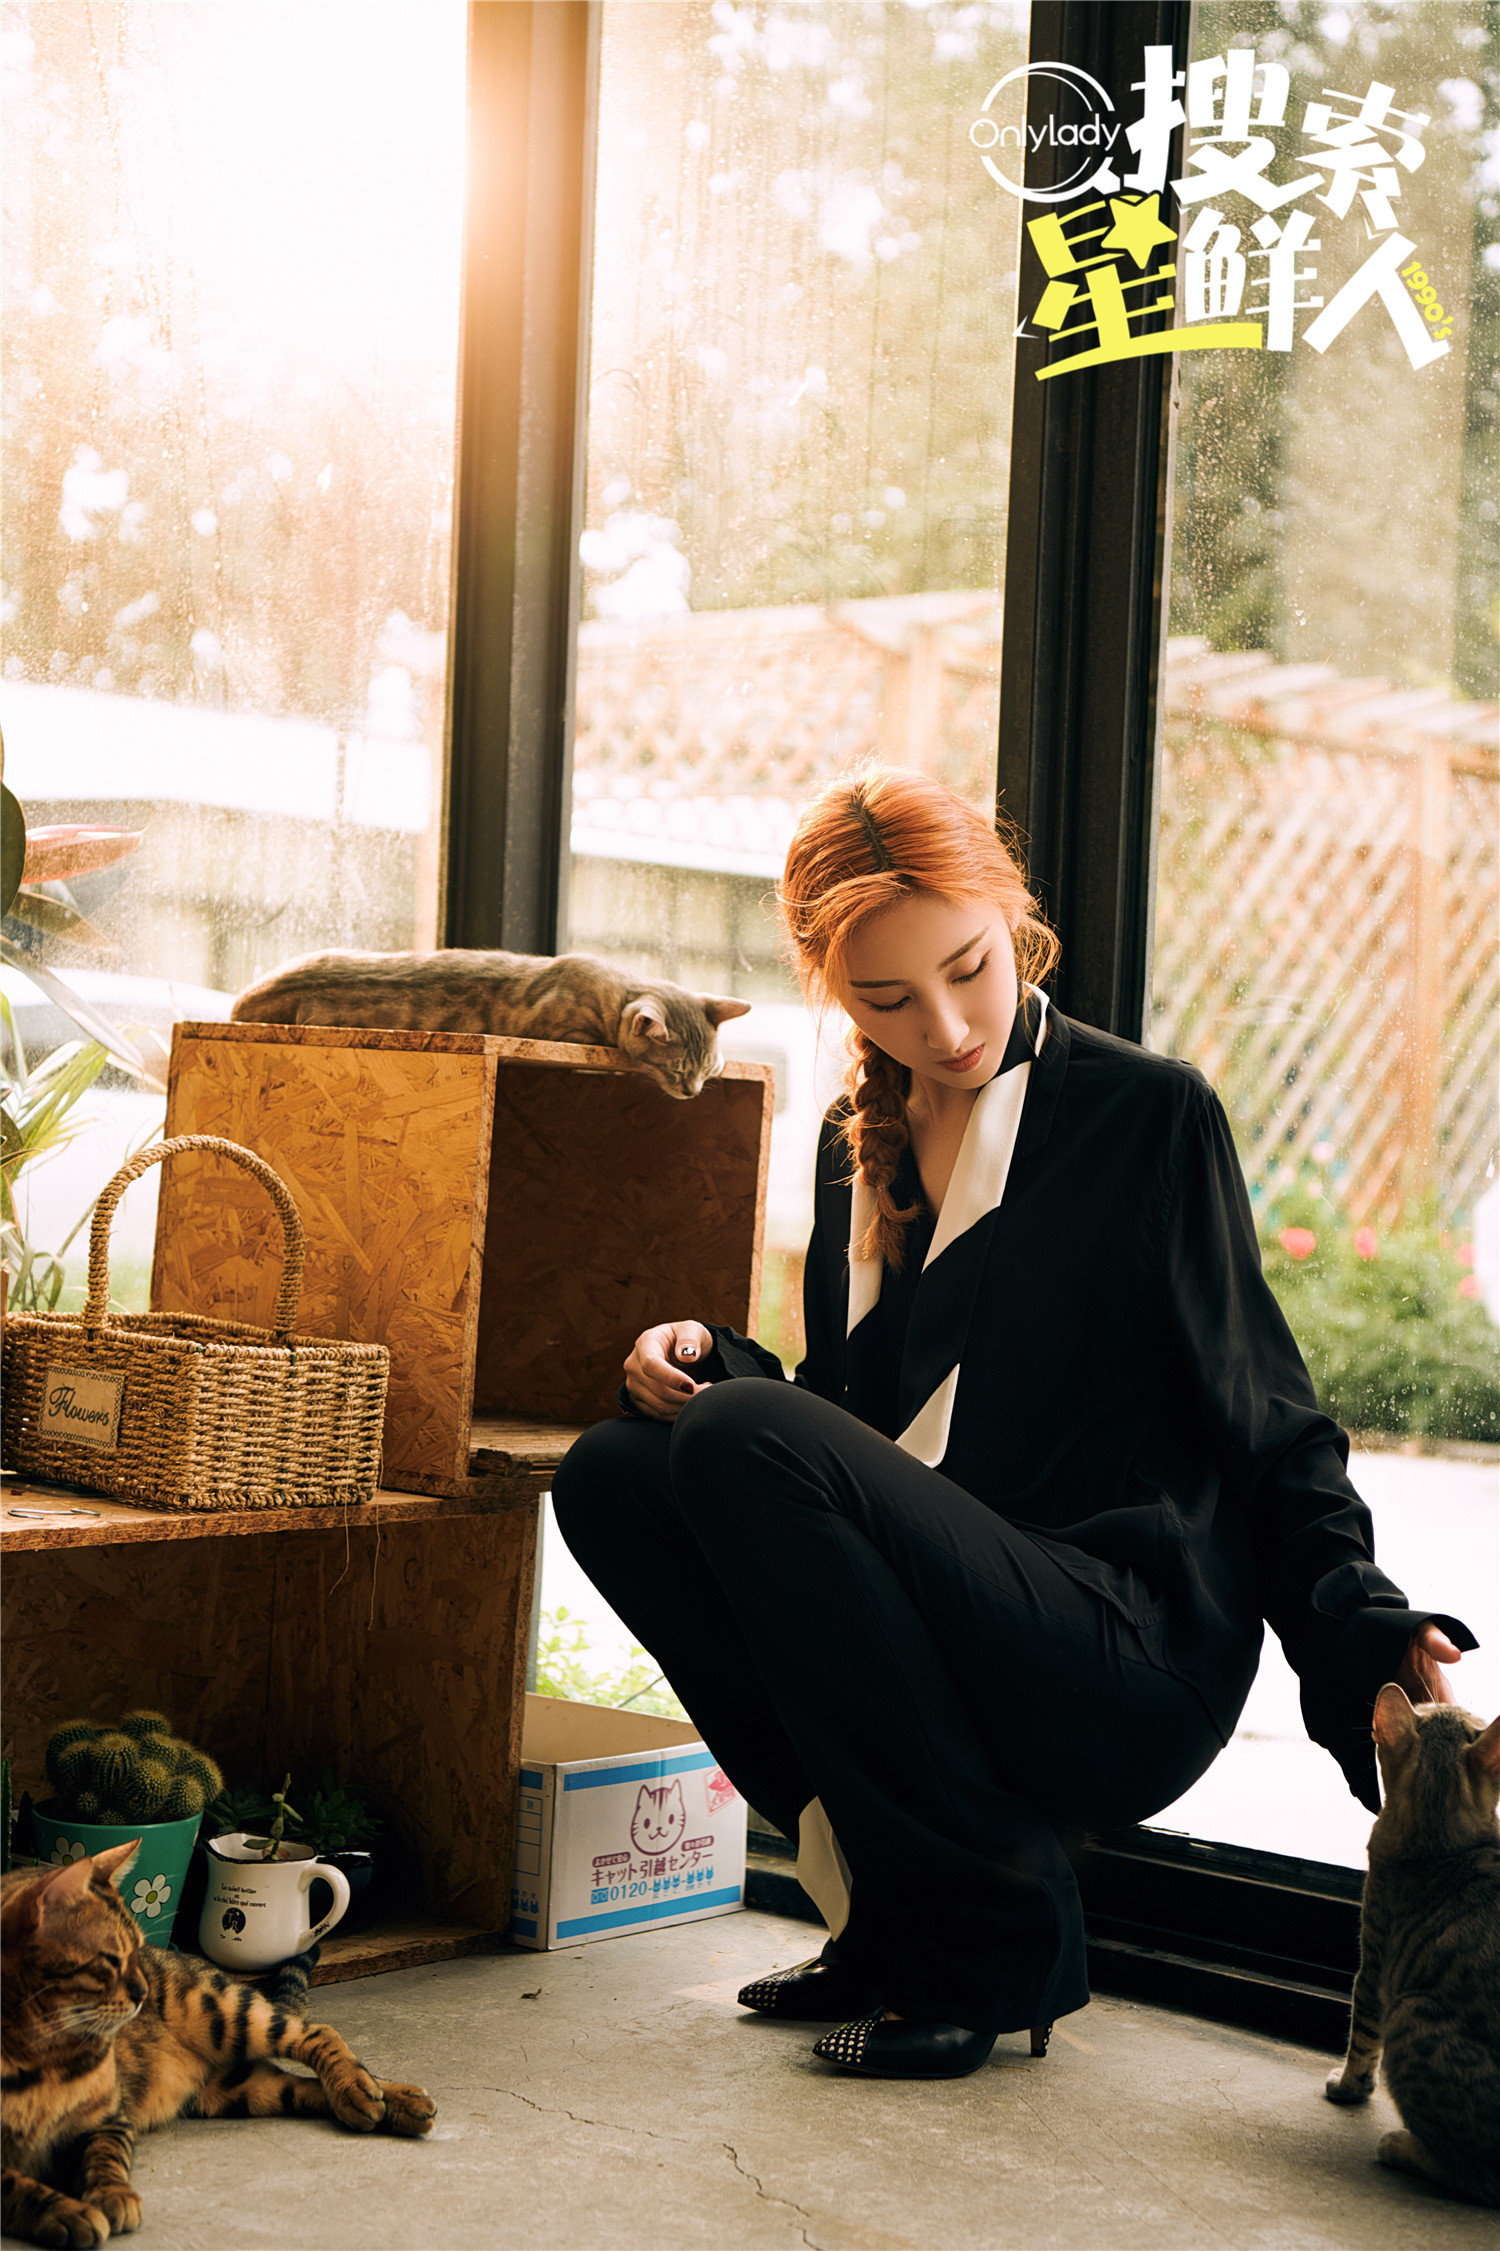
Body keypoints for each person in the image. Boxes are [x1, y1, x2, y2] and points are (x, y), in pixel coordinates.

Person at [550, 767, 1475, 2082]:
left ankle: (994, 1932)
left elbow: (1265, 1412)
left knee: (738, 1438)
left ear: (1010, 917)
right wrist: (709, 1360)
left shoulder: (1145, 1116)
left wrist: (1361, 1628)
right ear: (835, 989)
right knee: (613, 1472)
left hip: (1113, 1643)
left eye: (969, 970)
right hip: (943, 1622)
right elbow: (859, 1423)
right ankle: (892, 1911)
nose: (947, 1024)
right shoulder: (846, 1141)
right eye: (888, 999)